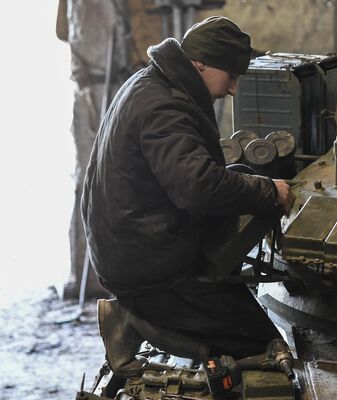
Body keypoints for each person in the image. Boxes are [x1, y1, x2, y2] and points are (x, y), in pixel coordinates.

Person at [81, 16, 295, 377]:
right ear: (201, 64)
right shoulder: (165, 106)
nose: (233, 90)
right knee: (265, 346)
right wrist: (268, 190)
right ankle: (133, 319)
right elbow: (197, 187)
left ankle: (141, 316)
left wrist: (247, 184)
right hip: (150, 268)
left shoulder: (152, 82)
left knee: (240, 182)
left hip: (135, 246)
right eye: (231, 77)